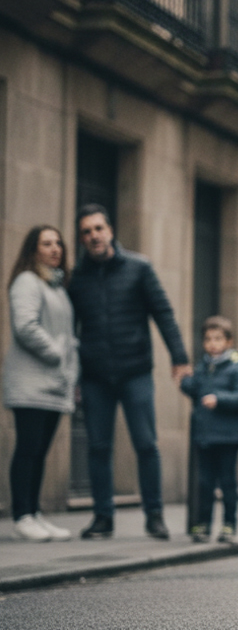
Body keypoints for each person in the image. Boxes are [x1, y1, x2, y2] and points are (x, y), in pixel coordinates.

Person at [69, 204, 192, 540]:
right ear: (81, 238)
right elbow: (69, 330)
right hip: (95, 377)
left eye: (98, 228)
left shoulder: (139, 268)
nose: (94, 235)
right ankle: (102, 517)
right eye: (87, 231)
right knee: (98, 447)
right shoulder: (76, 279)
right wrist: (74, 377)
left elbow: (163, 312)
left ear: (110, 231)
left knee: (146, 444)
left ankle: (154, 515)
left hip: (135, 371)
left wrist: (179, 356)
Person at [4, 225, 78, 541]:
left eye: (58, 243)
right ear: (32, 249)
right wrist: (57, 354)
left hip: (53, 384)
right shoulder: (27, 281)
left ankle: (34, 513)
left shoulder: (57, 286)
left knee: (40, 451)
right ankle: (22, 515)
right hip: (31, 383)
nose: (54, 248)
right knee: (28, 449)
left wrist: (69, 373)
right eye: (46, 243)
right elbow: (25, 326)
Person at [180, 316, 238, 545]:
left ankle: (229, 525)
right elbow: (194, 391)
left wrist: (219, 399)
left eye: (218, 339)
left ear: (228, 342)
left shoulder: (236, 367)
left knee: (228, 483)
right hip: (205, 435)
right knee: (205, 483)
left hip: (228, 437)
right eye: (208, 339)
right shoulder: (203, 367)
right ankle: (202, 524)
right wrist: (185, 381)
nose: (213, 343)